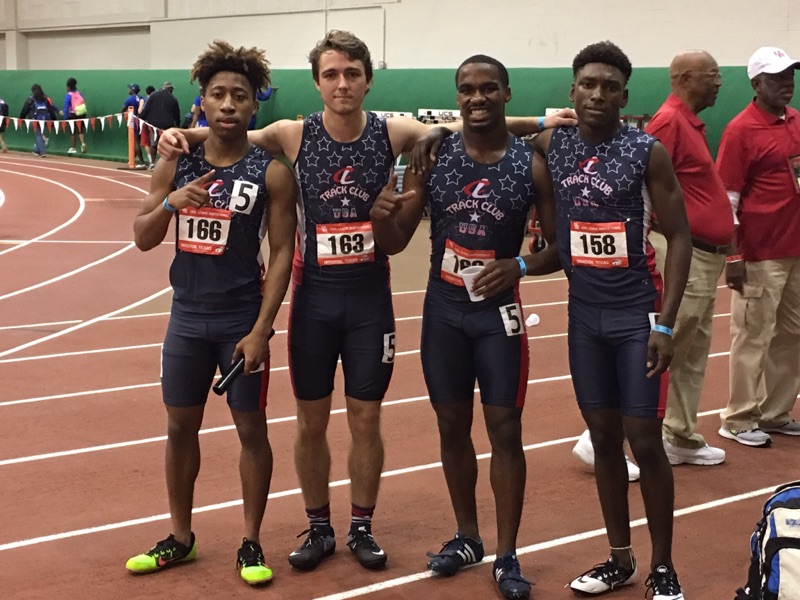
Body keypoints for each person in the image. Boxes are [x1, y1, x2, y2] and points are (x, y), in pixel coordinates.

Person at [158, 30, 575, 574]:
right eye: (331, 75)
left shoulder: (390, 130)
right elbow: (228, 127)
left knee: (365, 418)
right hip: (313, 299)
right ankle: (319, 526)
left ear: (368, 80)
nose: (342, 84)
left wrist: (539, 124)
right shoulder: (292, 134)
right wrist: (175, 134)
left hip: (369, 300)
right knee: (309, 421)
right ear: (317, 82)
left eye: (352, 74)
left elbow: (466, 123)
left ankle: (360, 527)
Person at [125, 40, 297, 586]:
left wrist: (261, 330)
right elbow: (142, 237)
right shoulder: (177, 161)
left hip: (239, 319)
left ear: (253, 107)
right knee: (179, 427)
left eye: (239, 96)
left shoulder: (270, 171)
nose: (227, 104)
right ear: (202, 102)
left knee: (251, 429)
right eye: (218, 94)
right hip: (186, 318)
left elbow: (284, 253)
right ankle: (180, 537)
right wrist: (170, 201)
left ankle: (251, 541)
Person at [370, 54, 540, 600]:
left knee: (505, 431)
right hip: (442, 312)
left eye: (489, 88)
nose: (477, 98)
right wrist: (382, 215)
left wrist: (517, 265)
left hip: (497, 316)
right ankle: (467, 536)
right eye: (467, 89)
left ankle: (508, 554)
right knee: (450, 426)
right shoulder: (434, 154)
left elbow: (559, 246)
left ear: (506, 95)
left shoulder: (531, 162)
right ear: (457, 96)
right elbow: (397, 240)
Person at [532, 41, 691, 598]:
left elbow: (680, 236)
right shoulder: (553, 144)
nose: (598, 94)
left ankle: (664, 565)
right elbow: (488, 137)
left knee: (644, 440)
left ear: (626, 96)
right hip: (584, 319)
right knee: (603, 439)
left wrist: (665, 324)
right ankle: (619, 559)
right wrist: (433, 137)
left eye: (610, 87)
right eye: (588, 85)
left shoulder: (647, 152)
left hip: (635, 316)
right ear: (572, 92)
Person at [572, 50, 732, 469]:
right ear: (684, 78)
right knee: (660, 346)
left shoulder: (693, 123)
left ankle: (679, 433)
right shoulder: (668, 122)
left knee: (692, 349)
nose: (719, 82)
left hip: (707, 254)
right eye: (712, 75)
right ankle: (600, 438)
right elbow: (631, 180)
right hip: (685, 255)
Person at [716, 46, 800, 447]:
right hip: (759, 253)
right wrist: (734, 256)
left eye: (790, 76)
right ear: (756, 83)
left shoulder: (797, 121)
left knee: (792, 335)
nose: (787, 84)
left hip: (796, 250)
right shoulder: (739, 130)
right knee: (752, 336)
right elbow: (726, 199)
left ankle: (776, 411)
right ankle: (738, 417)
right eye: (777, 77)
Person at [140, 81, 181, 161]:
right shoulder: (173, 99)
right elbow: (177, 114)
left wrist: (142, 118)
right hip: (167, 125)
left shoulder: (153, 95)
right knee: (167, 144)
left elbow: (146, 109)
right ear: (170, 89)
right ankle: (166, 163)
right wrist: (178, 124)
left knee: (153, 144)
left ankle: (152, 162)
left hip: (154, 125)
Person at [20, 84, 58, 158]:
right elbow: (51, 110)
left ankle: (42, 151)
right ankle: (37, 150)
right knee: (40, 134)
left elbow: (24, 110)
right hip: (45, 120)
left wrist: (21, 119)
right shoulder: (45, 98)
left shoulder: (30, 99)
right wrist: (54, 120)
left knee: (38, 135)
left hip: (34, 120)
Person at [122, 83, 147, 168]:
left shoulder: (129, 99)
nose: (129, 90)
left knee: (136, 142)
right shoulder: (142, 98)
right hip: (142, 121)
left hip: (134, 121)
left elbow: (123, 109)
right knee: (138, 141)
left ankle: (142, 162)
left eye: (130, 89)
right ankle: (132, 159)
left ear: (132, 90)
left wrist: (120, 114)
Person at [63, 77, 87, 154]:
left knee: (72, 132)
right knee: (80, 130)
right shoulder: (80, 93)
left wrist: (66, 117)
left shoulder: (68, 96)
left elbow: (66, 108)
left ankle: (73, 148)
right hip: (82, 114)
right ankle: (83, 143)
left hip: (73, 115)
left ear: (68, 87)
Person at [139, 86, 157, 169]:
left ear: (146, 93)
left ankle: (151, 162)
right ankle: (153, 162)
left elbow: (140, 111)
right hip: (154, 123)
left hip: (145, 122)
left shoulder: (144, 100)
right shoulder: (157, 100)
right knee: (153, 142)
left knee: (145, 142)